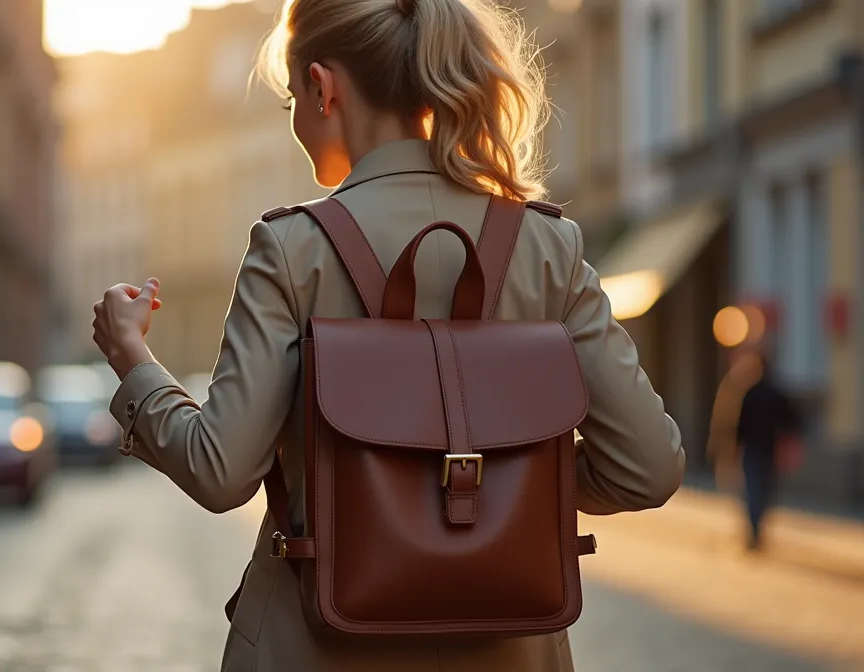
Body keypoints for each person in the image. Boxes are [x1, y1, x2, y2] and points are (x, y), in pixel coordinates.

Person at [91, 0, 685, 669]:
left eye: (292, 99)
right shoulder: (546, 245)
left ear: (323, 86)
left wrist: (131, 355)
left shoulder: (291, 249)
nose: (296, 120)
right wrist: (503, 485)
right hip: (507, 644)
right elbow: (648, 467)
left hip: (314, 645)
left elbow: (221, 470)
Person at [733, 353, 802, 551]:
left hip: (753, 451)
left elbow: (739, 425)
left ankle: (754, 531)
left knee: (753, 491)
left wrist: (735, 449)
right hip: (769, 451)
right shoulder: (776, 393)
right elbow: (792, 423)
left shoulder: (750, 392)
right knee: (764, 492)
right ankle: (757, 528)